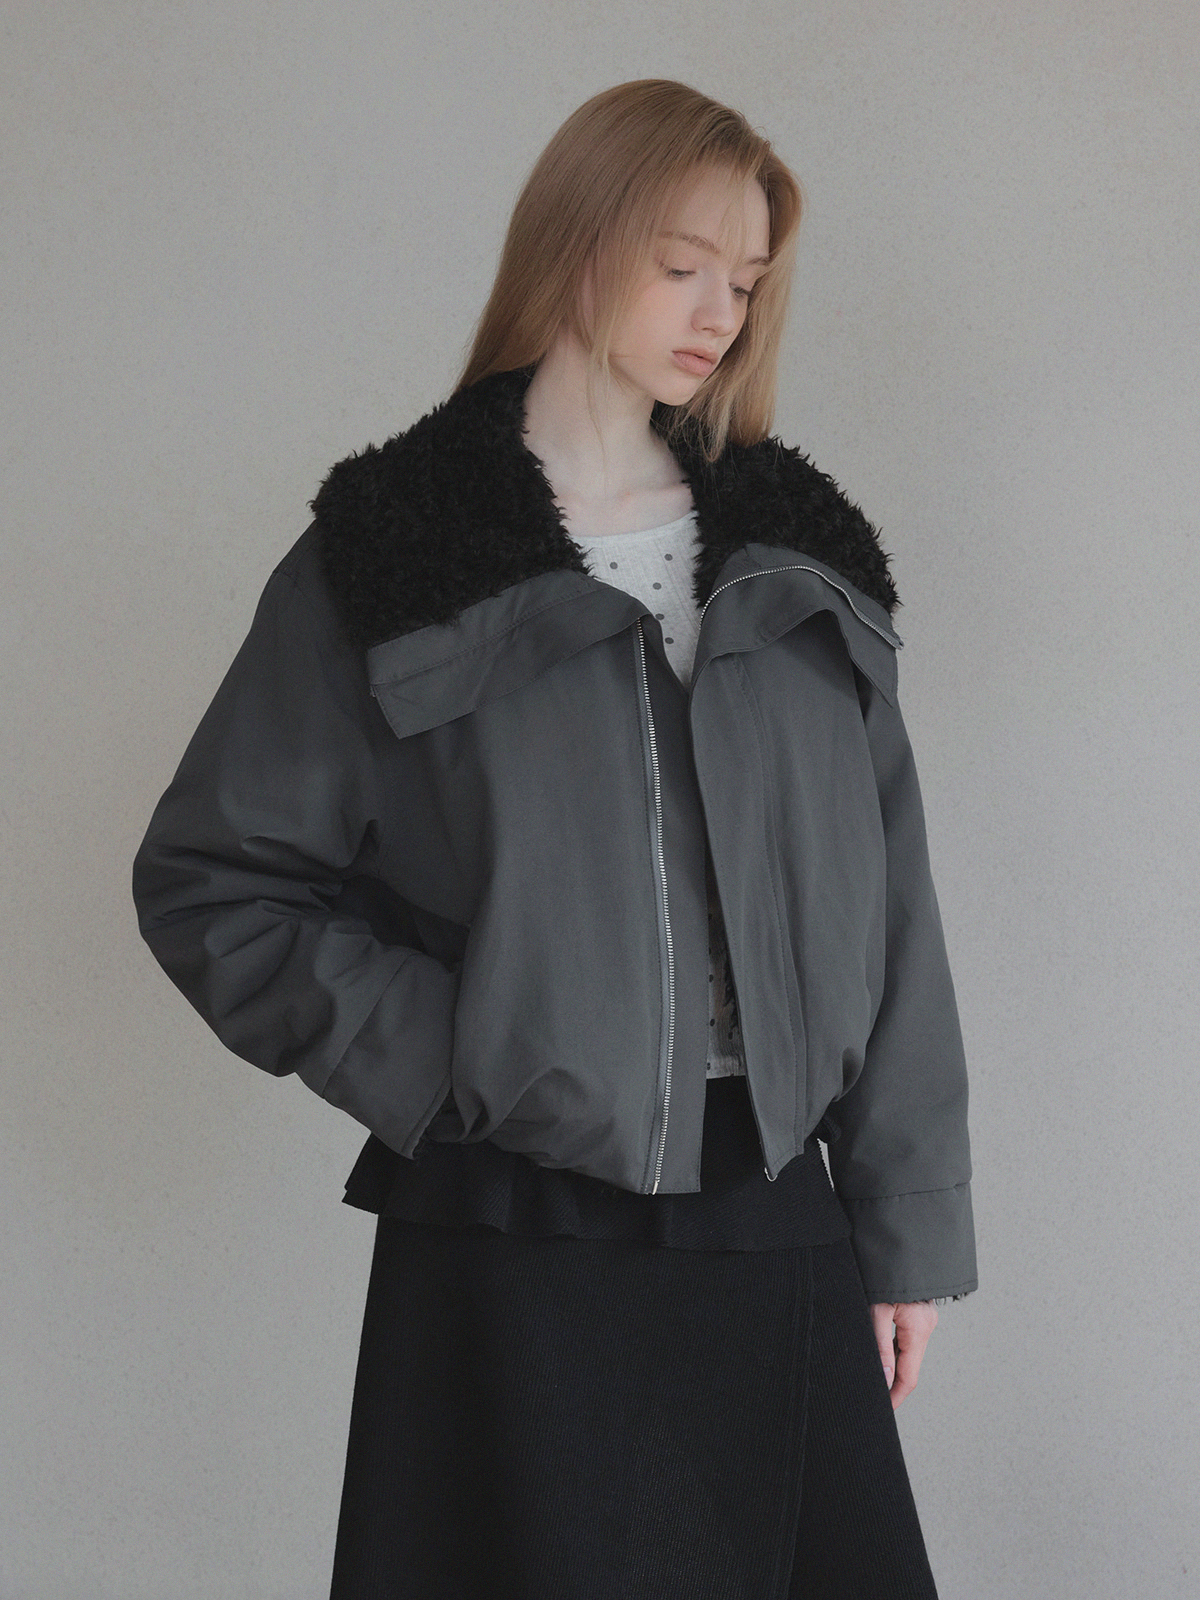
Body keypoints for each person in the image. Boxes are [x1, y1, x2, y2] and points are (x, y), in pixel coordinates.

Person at [132, 78, 976, 1600]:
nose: (719, 313)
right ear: (579, 247)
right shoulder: (394, 556)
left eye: (747, 280)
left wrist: (902, 1226)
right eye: (683, 264)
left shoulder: (799, 561)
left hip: (774, 1213)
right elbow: (217, 882)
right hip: (515, 1226)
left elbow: (892, 906)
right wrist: (470, 1051)